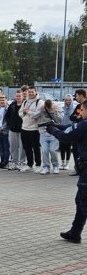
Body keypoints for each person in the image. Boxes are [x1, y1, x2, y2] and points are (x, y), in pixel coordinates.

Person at [47, 100, 87, 243]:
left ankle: (75, 232)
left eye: (82, 110)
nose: (80, 112)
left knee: (83, 202)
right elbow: (71, 127)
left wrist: (53, 131)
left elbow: (67, 136)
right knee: (81, 200)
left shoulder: (84, 124)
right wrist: (55, 126)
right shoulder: (82, 124)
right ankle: (75, 232)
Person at [19, 85, 42, 172]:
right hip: (24, 128)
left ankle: (39, 164)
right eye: (29, 92)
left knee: (36, 148)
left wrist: (27, 111)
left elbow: (37, 114)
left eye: (32, 92)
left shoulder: (39, 102)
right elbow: (20, 114)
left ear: (36, 92)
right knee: (27, 148)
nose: (31, 93)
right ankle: (29, 164)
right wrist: (24, 113)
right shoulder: (25, 102)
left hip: (34, 129)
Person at [35, 99, 63, 175]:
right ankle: (46, 167)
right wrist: (40, 110)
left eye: (49, 105)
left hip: (54, 134)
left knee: (53, 150)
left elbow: (60, 120)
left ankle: (55, 166)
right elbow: (34, 116)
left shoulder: (56, 108)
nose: (48, 107)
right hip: (43, 133)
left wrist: (54, 112)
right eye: (47, 106)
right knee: (44, 151)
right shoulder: (42, 110)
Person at [5, 90, 26, 170]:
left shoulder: (25, 105)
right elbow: (7, 116)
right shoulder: (12, 105)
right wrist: (10, 124)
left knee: (22, 147)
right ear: (15, 96)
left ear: (22, 96)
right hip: (12, 130)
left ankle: (22, 162)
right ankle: (14, 162)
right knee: (13, 147)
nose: (18, 97)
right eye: (17, 96)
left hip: (22, 130)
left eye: (19, 96)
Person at [69, 89, 87, 176]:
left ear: (81, 95)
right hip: (77, 130)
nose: (75, 98)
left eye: (76, 96)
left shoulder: (85, 105)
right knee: (75, 150)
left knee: (83, 150)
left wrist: (79, 117)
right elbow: (72, 117)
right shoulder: (79, 106)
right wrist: (78, 116)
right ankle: (77, 168)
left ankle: (83, 169)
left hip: (84, 131)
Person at [60, 94, 76, 171]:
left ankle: (67, 163)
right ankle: (62, 163)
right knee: (62, 147)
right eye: (66, 100)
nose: (67, 101)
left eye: (69, 100)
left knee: (68, 147)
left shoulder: (74, 108)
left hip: (70, 129)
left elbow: (76, 117)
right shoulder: (62, 107)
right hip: (62, 129)